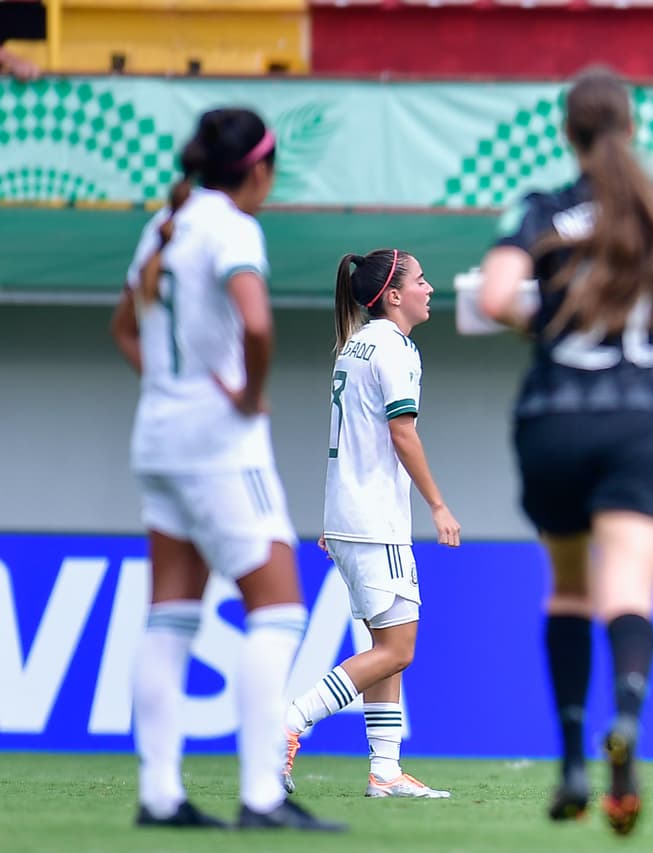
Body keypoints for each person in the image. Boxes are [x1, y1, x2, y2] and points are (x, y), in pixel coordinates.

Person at [477, 66, 653, 836]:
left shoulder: (541, 209)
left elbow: (494, 298)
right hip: (645, 421)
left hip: (554, 418)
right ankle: (624, 720)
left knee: (568, 590)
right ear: (631, 127)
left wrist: (554, 326)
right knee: (628, 592)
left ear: (569, 133)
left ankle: (568, 762)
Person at [108, 108, 345, 831]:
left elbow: (123, 327)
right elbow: (258, 322)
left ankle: (159, 795)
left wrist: (172, 389)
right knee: (279, 612)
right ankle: (261, 796)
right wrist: (246, 393)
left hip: (157, 437)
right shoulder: (235, 229)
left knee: (170, 615)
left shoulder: (165, 226)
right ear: (258, 170)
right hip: (220, 445)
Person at [281, 249, 461, 800]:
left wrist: (336, 516)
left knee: (386, 643)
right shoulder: (395, 348)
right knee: (399, 649)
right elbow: (401, 434)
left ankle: (385, 771)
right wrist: (438, 504)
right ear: (393, 294)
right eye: (422, 280)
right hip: (376, 522)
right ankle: (288, 723)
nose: (430, 289)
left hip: (349, 518)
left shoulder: (354, 345)